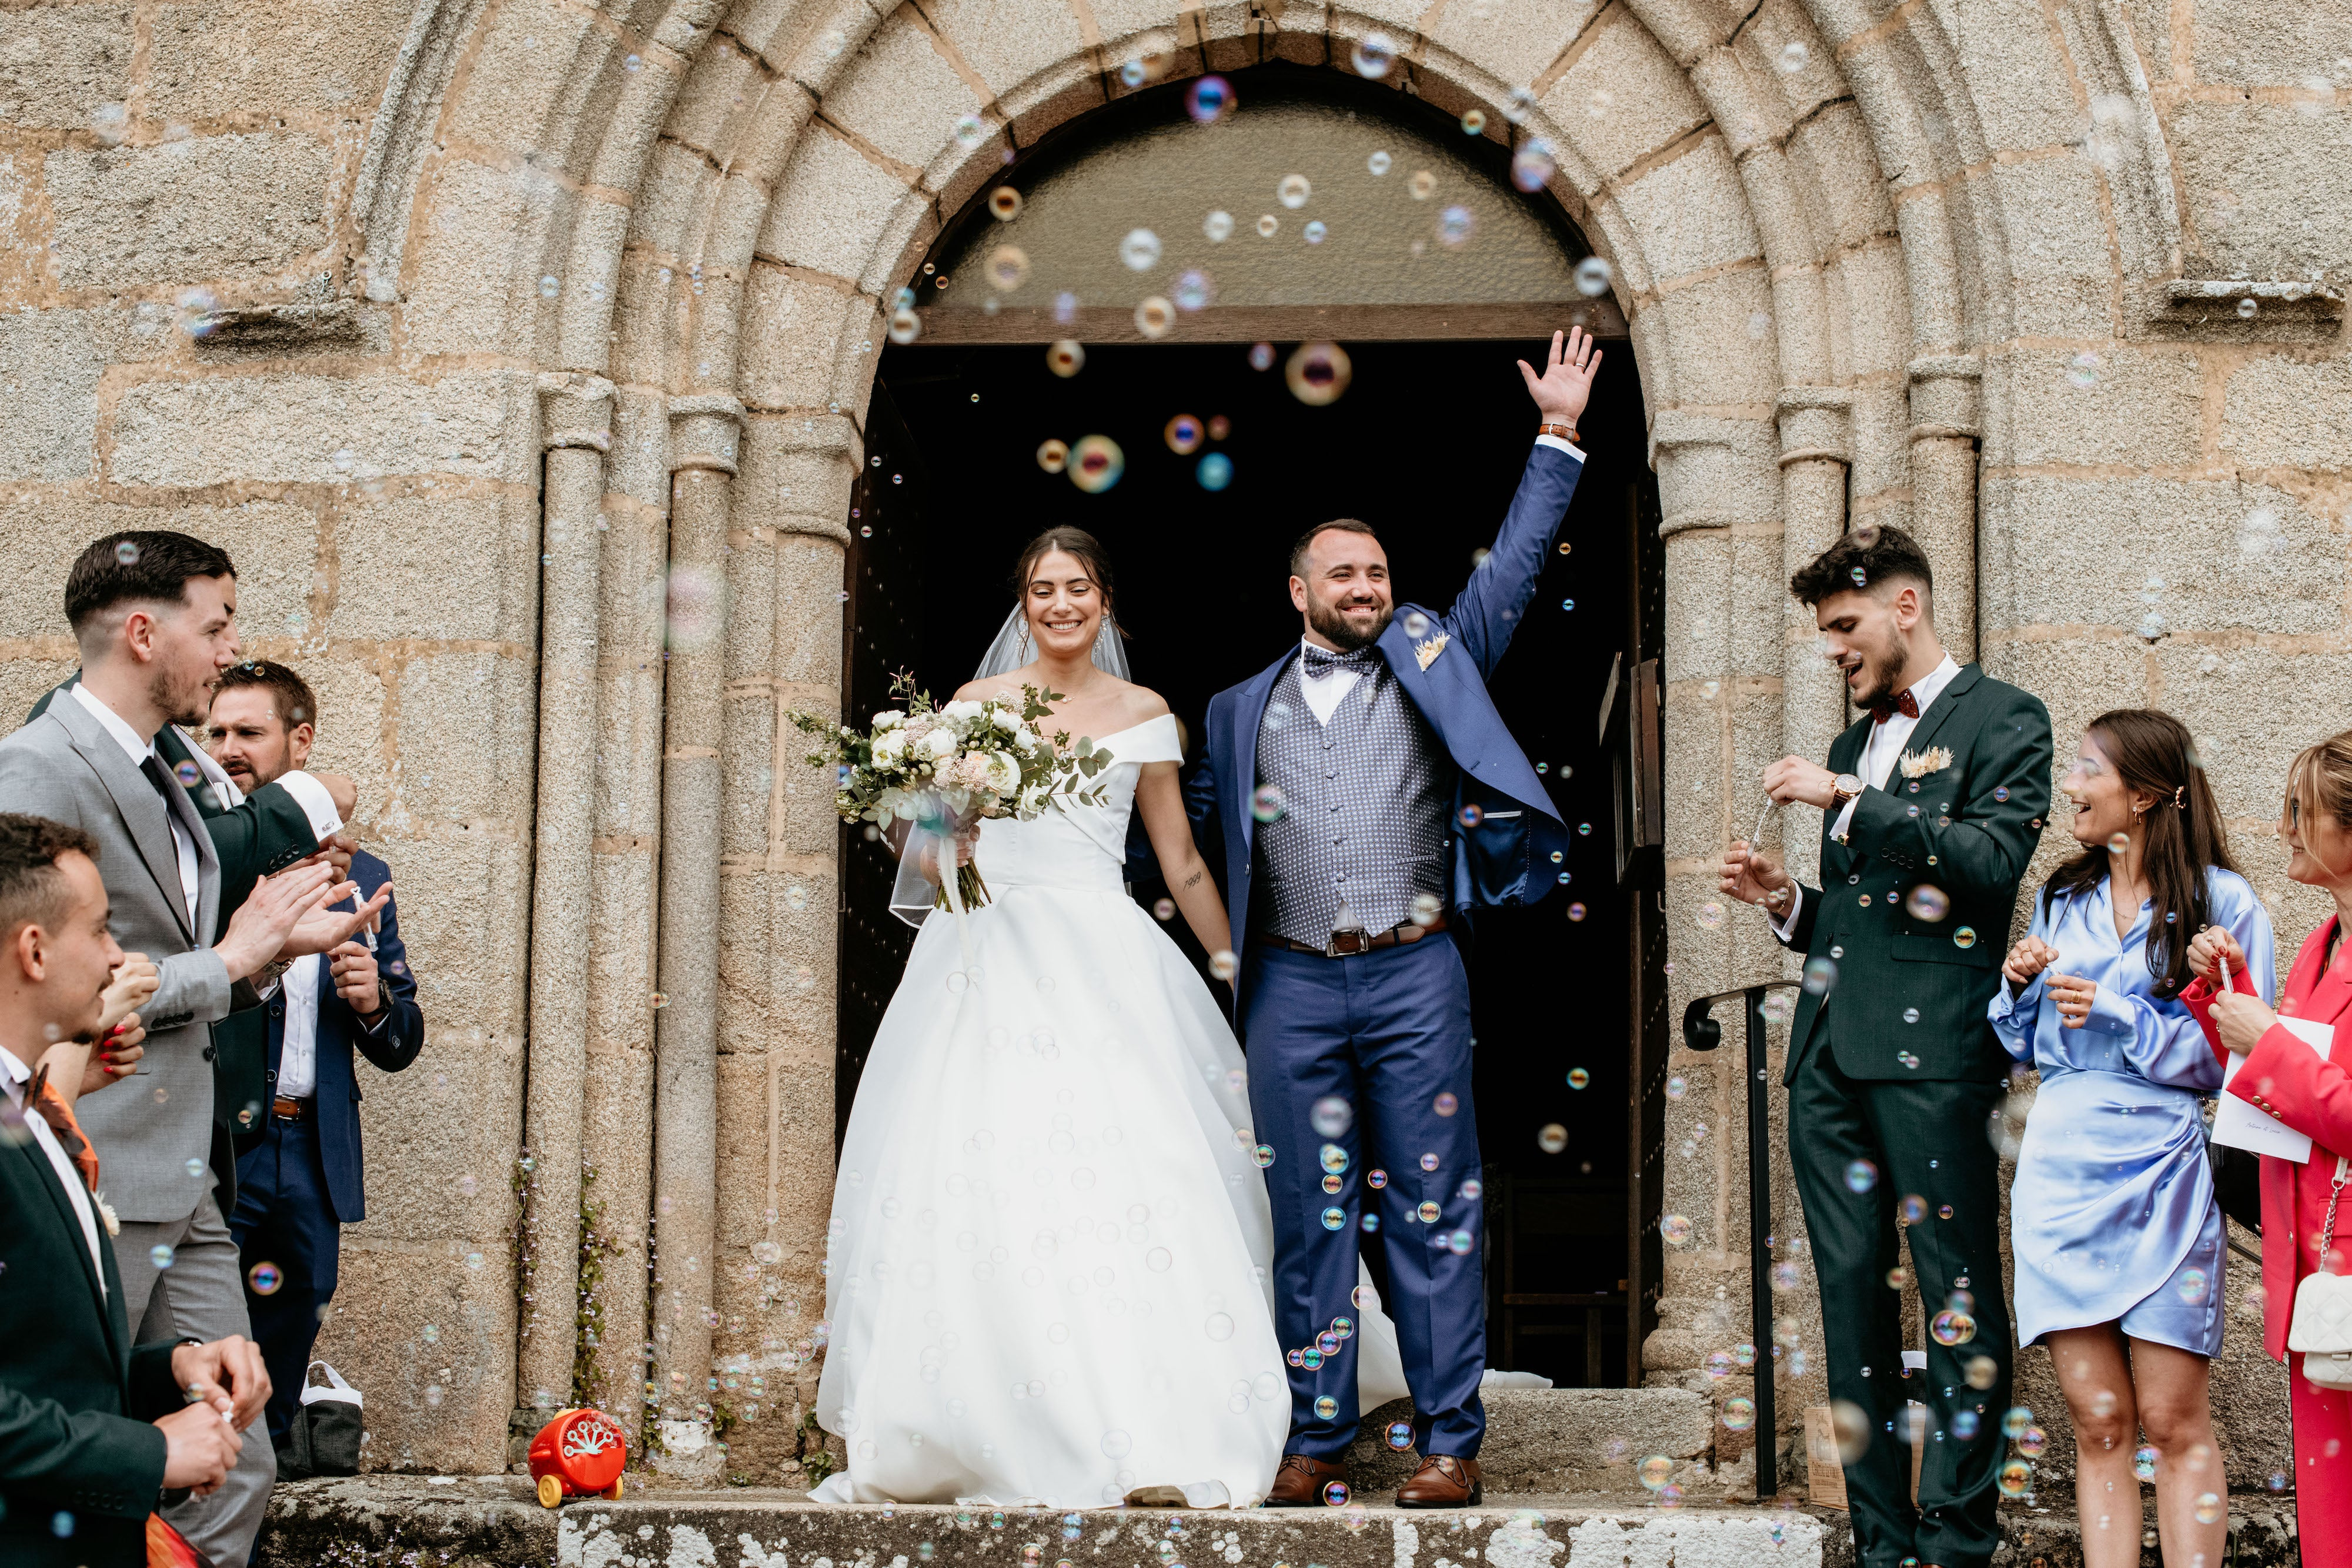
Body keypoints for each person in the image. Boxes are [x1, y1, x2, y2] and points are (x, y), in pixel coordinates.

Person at [812, 526, 1409, 1511]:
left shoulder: (1144, 715)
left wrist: (1237, 974)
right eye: (1043, 588)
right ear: (1023, 602)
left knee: (1144, 1170)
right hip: (986, 956)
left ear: (1104, 603)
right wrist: (943, 820)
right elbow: (924, 862)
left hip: (1107, 959)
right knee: (986, 1176)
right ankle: (991, 1417)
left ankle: (1161, 1424)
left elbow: (1178, 862)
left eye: (1077, 588)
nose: (1059, 605)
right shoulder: (970, 711)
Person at [1184, 329, 1600, 1508]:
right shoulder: (1227, 710)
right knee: (1307, 1211)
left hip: (1416, 971)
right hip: (1288, 981)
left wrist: (1555, 437)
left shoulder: (1435, 659)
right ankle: (1314, 1435)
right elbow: (1176, 832)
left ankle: (1446, 1440)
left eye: (1376, 573)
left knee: (1431, 1199)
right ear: (1298, 591)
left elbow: (1509, 573)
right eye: (1343, 576)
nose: (1366, 589)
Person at [0, 533, 387, 1567]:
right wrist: (234, 956)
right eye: (214, 625)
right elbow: (49, 980)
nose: (228, 648)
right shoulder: (38, 765)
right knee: (75, 1437)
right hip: (97, 1156)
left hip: (190, 1171)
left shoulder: (173, 768)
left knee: (241, 1454)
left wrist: (271, 957)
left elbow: (180, 955)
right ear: (142, 631)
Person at [1715, 522, 2050, 1568]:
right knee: (1848, 1297)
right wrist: (1786, 906)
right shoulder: (1856, 742)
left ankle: (1956, 1540)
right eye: (1824, 632)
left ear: (1907, 606)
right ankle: (1881, 1540)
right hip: (1826, 1056)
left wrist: (1853, 798)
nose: (1834, 648)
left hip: (1937, 1056)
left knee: (1955, 1291)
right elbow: (1869, 919)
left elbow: (1988, 869)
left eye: (1846, 625)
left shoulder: (2008, 719)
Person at [1989, 710, 2259, 1568]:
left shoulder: (2226, 903)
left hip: (2163, 1166)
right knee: (2098, 1419)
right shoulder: (2061, 896)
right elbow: (2025, 1043)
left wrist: (2122, 1014)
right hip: (2063, 1164)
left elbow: (2238, 1057)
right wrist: (2018, 982)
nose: (2069, 785)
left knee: (2173, 1418)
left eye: (2085, 768)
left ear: (2142, 795)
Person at [0, 811, 269, 1568]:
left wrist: (174, 1366)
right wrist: (146, 1453)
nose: (120, 957)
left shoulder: (34, 1118)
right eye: (102, 930)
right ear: (34, 950)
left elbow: (43, 1365)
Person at [208, 660, 425, 1459]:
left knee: (281, 1366)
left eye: (248, 732)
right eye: (218, 731)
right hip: (224, 1148)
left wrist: (373, 1002)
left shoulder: (364, 875)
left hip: (312, 1155)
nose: (228, 747)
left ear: (299, 741)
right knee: (198, 1357)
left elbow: (404, 1041)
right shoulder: (209, 861)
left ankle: (247, 1532)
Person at [2182, 728, 2352, 1566]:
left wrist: (2270, 1043)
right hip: (2316, 1266)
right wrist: (2230, 998)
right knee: (2330, 1513)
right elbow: (2285, 1088)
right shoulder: (2322, 944)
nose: (2283, 827)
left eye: (2301, 811)